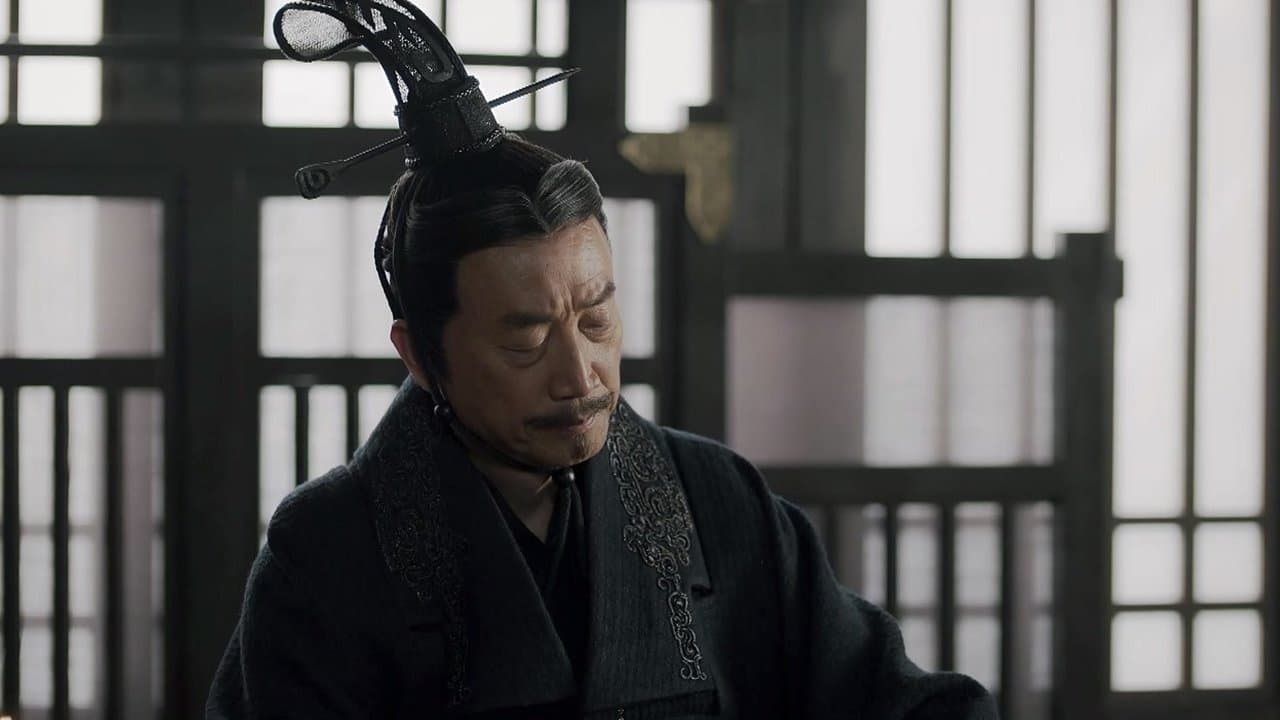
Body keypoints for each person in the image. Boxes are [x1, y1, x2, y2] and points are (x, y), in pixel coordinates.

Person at [207, 2, 997, 718]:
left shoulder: (718, 498)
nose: (578, 375)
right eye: (525, 340)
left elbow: (893, 700)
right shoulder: (327, 553)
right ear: (420, 354)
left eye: (595, 319)